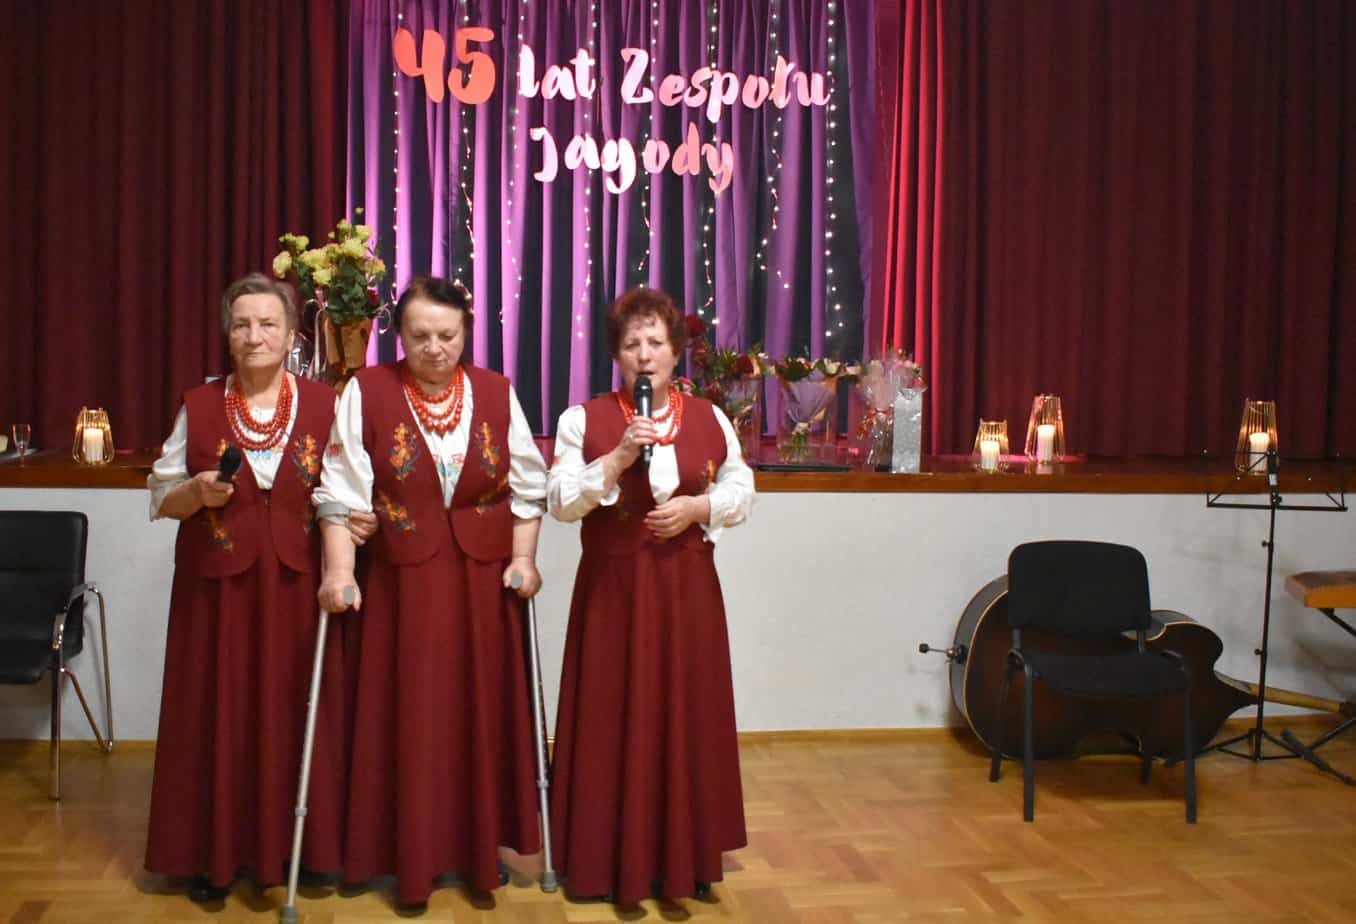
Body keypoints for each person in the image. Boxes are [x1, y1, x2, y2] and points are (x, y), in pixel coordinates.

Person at [312, 275, 547, 907]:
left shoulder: (497, 392)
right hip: (400, 581)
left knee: (474, 713)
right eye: (420, 336)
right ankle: (398, 851)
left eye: (447, 335)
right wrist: (339, 572)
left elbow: (528, 486)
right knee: (406, 713)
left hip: (480, 583)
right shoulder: (365, 390)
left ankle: (475, 851)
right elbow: (340, 490)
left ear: (465, 333)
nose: (434, 348)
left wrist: (524, 559)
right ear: (399, 334)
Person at [144, 273, 375, 902]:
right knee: (214, 713)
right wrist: (196, 492)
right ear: (228, 334)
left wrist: (354, 533)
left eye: (268, 324)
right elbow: (161, 497)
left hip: (297, 584)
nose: (254, 336)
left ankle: (308, 850)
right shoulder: (199, 405)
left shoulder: (327, 404)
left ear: (292, 334)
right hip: (216, 591)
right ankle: (210, 856)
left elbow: (345, 493)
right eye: (242, 324)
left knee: (299, 709)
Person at [547, 287, 755, 903]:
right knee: (612, 714)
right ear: (616, 354)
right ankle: (606, 858)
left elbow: (742, 489)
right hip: (613, 594)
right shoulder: (583, 420)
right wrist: (616, 458)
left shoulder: (711, 417)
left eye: (656, 342)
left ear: (675, 352)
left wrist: (699, 508)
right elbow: (560, 502)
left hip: (687, 592)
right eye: (632, 343)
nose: (644, 354)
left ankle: (682, 855)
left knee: (684, 711)